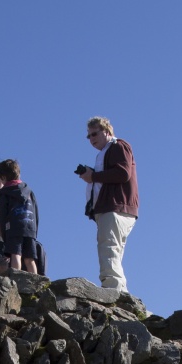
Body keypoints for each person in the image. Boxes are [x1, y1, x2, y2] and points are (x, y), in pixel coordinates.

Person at [76, 117, 139, 291]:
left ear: (107, 131)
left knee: (109, 246)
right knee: (113, 249)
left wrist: (94, 176)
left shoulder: (118, 145)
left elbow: (123, 173)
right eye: (88, 136)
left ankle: (113, 289)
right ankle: (118, 289)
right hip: (116, 207)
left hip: (115, 206)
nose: (91, 139)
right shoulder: (106, 151)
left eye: (94, 133)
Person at [0, 158, 41, 274]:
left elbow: (3, 214)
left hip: (13, 228)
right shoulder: (29, 191)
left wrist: (5, 235)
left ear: (3, 177)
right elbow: (36, 211)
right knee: (30, 258)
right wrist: (34, 231)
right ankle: (36, 281)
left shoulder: (4, 193)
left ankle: (15, 279)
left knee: (16, 255)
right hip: (30, 228)